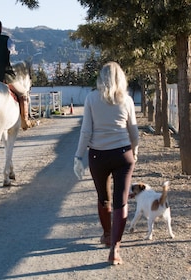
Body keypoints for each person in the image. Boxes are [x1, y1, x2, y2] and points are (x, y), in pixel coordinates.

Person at [73, 61, 139, 265]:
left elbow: (86, 131)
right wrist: (134, 152)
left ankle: (107, 234)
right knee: (121, 201)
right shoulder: (126, 100)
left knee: (103, 197)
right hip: (122, 155)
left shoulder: (91, 98)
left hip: (98, 156)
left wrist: (78, 156)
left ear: (101, 78)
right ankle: (115, 249)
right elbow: (134, 133)